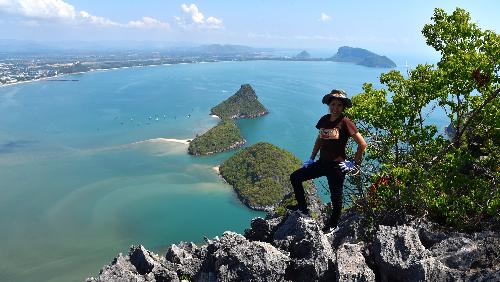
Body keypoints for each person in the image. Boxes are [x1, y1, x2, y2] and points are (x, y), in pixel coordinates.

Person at [289, 89, 367, 232]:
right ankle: (302, 208)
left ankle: (333, 225)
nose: (335, 108)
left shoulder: (345, 122)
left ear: (343, 107)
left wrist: (354, 163)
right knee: (295, 177)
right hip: (322, 163)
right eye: (332, 104)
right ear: (328, 105)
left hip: (337, 167)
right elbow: (319, 139)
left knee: (336, 198)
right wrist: (311, 158)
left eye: (338, 105)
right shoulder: (324, 119)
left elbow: (362, 144)